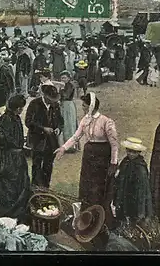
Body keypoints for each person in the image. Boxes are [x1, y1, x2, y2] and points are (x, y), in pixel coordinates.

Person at [54, 92, 118, 226]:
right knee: (87, 185)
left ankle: (99, 217)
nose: (83, 107)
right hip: (89, 156)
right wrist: (63, 148)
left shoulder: (106, 121)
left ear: (92, 106)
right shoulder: (85, 120)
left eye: (84, 105)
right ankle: (86, 214)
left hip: (102, 156)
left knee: (98, 186)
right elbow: (75, 137)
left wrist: (113, 163)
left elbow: (114, 144)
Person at [25, 85, 64, 188]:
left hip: (51, 141)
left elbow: (60, 120)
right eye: (51, 99)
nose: (53, 101)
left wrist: (58, 128)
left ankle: (45, 188)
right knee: (36, 165)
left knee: (48, 165)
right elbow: (28, 122)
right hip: (37, 140)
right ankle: (35, 188)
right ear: (45, 96)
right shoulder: (34, 104)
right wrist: (43, 129)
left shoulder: (55, 105)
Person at [113, 137, 153, 223]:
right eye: (129, 151)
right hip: (124, 191)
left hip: (135, 194)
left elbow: (142, 190)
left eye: (134, 152)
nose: (131, 154)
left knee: (133, 215)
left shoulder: (140, 167)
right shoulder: (125, 161)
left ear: (139, 152)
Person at [58, 70, 78, 153]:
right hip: (64, 105)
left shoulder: (70, 85)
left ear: (69, 78)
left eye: (64, 78)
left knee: (69, 124)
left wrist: (62, 90)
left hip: (68, 105)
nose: (63, 79)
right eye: (61, 78)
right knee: (65, 124)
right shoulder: (65, 85)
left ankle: (70, 145)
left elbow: (66, 96)